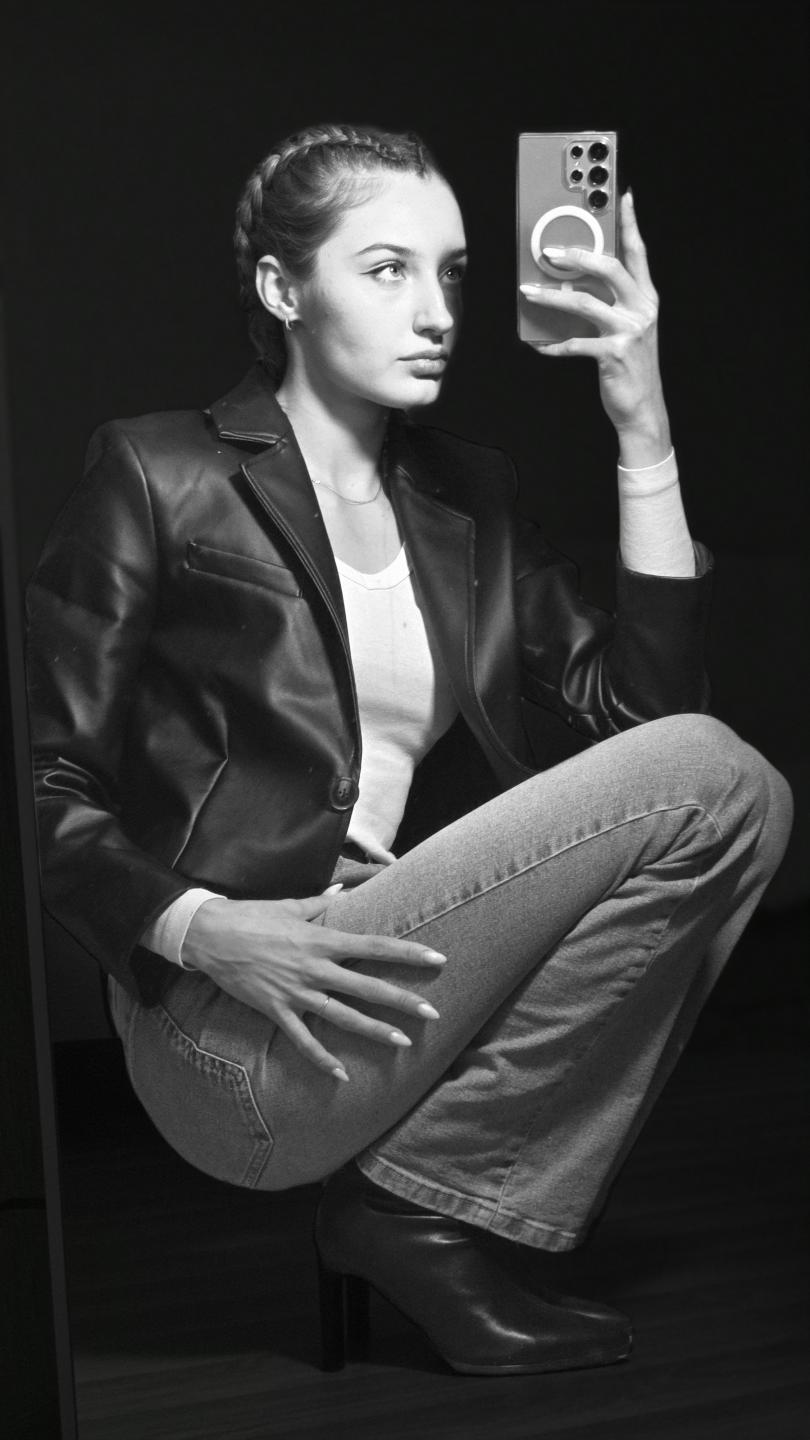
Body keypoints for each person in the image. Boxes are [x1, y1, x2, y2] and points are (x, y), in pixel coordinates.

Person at [26, 123, 792, 1377]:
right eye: (387, 269)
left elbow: (653, 724)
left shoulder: (467, 497)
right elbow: (43, 780)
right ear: (283, 290)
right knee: (719, 776)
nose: (435, 311)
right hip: (219, 1030)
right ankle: (409, 1218)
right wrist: (203, 928)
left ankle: (412, 1211)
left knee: (733, 788)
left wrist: (641, 422)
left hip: (380, 975)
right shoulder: (159, 471)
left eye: (452, 274)